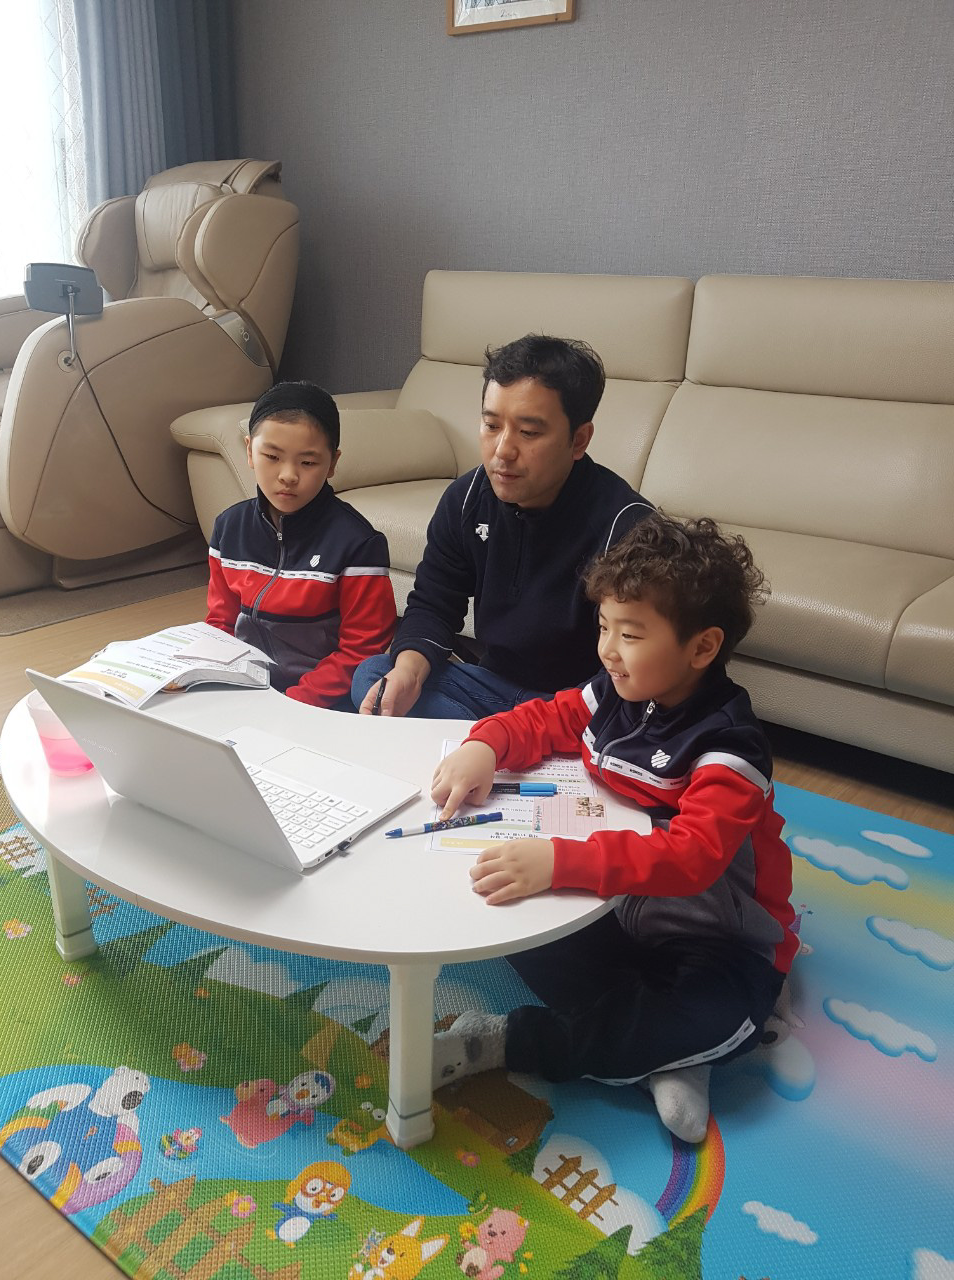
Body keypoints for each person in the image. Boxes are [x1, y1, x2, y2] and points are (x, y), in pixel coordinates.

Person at [427, 512, 797, 1143]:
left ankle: (507, 1042)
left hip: (718, 940)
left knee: (721, 1018)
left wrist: (561, 861)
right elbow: (550, 717)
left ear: (702, 648)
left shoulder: (730, 746)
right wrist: (485, 745)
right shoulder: (616, 691)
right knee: (515, 921)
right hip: (620, 914)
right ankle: (657, 1054)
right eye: (603, 626)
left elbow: (692, 856)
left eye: (629, 634)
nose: (606, 649)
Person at [351, 335, 652, 720]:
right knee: (376, 675)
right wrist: (408, 671)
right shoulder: (466, 499)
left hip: (577, 704)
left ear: (579, 440)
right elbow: (434, 603)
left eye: (529, 433)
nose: (503, 450)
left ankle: (492, 742)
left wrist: (529, 728)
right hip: (493, 686)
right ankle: (496, 743)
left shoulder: (627, 530)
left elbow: (631, 671)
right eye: (491, 425)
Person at [206, 381, 396, 707]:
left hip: (319, 700)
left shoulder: (357, 543)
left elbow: (361, 649)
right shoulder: (229, 527)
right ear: (249, 451)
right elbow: (220, 623)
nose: (288, 475)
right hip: (246, 689)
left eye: (307, 462)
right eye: (272, 456)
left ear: (332, 463)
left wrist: (292, 704)